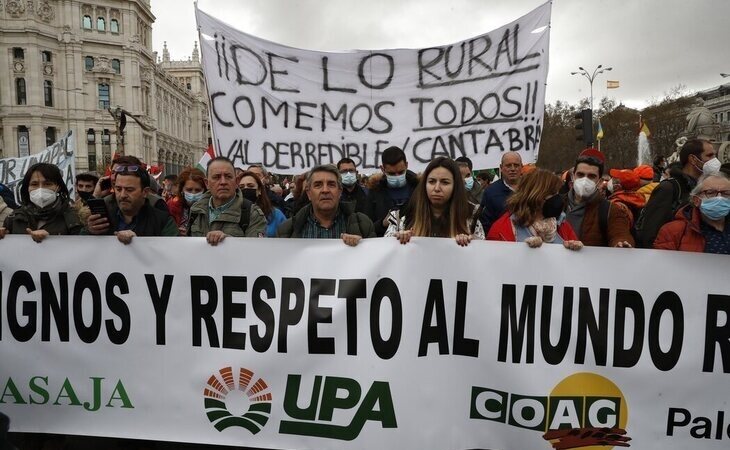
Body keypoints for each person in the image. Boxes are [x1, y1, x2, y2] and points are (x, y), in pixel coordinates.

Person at [637, 139, 718, 248]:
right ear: (693, 159)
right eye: (710, 155)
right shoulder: (669, 188)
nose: (715, 160)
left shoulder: (709, 188)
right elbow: (651, 233)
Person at [385, 157, 484, 246]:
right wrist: (398, 240)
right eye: (431, 181)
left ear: (455, 186)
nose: (436, 188)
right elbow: (386, 253)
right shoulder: (402, 215)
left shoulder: (470, 216)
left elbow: (480, 254)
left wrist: (470, 243)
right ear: (424, 184)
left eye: (445, 182)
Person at [277, 164, 375, 246]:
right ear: (309, 193)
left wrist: (363, 247)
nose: (325, 190)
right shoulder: (287, 229)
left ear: (340, 191)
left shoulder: (363, 224)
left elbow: (375, 263)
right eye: (318, 185)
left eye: (331, 184)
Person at [487, 168, 582, 250]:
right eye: (552, 193)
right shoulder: (501, 229)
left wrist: (575, 249)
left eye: (557, 193)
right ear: (536, 196)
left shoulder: (562, 224)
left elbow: (577, 263)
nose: (556, 198)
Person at [84, 164, 178, 243]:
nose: (122, 195)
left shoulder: (163, 221)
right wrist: (89, 231)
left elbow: (172, 255)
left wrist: (138, 243)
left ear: (145, 192)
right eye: (118, 189)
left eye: (129, 190)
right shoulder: (102, 219)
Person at [188, 157, 266, 245]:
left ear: (236, 182)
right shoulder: (196, 211)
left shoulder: (252, 214)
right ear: (207, 183)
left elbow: (256, 251)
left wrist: (228, 242)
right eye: (216, 177)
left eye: (228, 176)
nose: (223, 182)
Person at [564, 151, 634, 248]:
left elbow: (620, 233)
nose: (585, 180)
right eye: (580, 174)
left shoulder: (610, 210)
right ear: (573, 176)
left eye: (591, 176)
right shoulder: (556, 204)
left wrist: (621, 243)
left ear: (600, 181)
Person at [0, 163, 82, 242]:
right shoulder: (13, 218)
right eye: (34, 184)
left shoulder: (74, 217)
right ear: (27, 188)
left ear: (58, 187)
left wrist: (51, 239)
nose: (40, 189)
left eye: (47, 184)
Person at [653, 173, 729, 253]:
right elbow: (662, 263)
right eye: (710, 193)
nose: (719, 198)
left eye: (726, 193)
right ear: (696, 200)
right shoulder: (673, 231)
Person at [365, 146, 419, 236]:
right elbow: (366, 228)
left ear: (406, 165)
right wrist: (382, 224)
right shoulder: (375, 191)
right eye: (391, 174)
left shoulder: (419, 188)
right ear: (382, 169)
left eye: (401, 172)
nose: (397, 176)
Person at [93, 155, 168, 212]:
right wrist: (95, 197)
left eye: (129, 190)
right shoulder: (106, 202)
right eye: (113, 172)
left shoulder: (156, 204)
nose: (116, 177)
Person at [479, 151, 523, 234]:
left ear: (522, 167)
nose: (513, 169)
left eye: (516, 165)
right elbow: (486, 224)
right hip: (502, 243)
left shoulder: (532, 189)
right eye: (508, 166)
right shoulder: (490, 192)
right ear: (501, 168)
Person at [238, 170, 286, 237]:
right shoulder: (231, 213)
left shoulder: (276, 215)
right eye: (241, 187)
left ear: (259, 190)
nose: (246, 189)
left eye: (250, 186)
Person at [166, 167, 207, 235]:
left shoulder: (210, 209)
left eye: (198, 190)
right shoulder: (171, 207)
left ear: (204, 190)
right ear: (182, 189)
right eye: (189, 190)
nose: (193, 194)